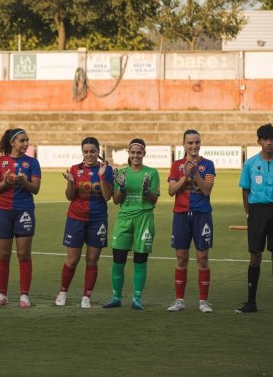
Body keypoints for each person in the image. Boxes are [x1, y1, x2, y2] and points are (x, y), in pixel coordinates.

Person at [235, 124, 273, 314]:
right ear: (259, 141)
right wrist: (249, 214)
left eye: (271, 139)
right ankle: (251, 302)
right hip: (257, 211)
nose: (268, 142)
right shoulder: (250, 164)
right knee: (255, 256)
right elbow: (245, 192)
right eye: (265, 139)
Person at [55, 137, 112, 308]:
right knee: (72, 260)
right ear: (82, 152)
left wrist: (102, 177)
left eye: (92, 151)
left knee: (92, 260)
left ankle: (86, 296)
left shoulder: (106, 170)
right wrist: (71, 182)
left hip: (98, 220)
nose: (89, 155)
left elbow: (107, 197)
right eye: (86, 152)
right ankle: (63, 292)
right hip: (76, 219)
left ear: (98, 152)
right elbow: (69, 196)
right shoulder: (75, 169)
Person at [104, 138, 160, 310]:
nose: (136, 155)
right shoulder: (121, 173)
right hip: (124, 219)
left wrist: (147, 190)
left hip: (144, 218)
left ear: (144, 154)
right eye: (133, 152)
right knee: (118, 260)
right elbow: (115, 200)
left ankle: (137, 299)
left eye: (139, 152)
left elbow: (154, 200)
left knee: (140, 260)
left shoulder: (152, 173)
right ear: (128, 153)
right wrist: (121, 187)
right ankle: (116, 297)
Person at [0, 128, 41, 307]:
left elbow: (35, 189)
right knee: (3, 254)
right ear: (12, 142)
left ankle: (24, 295)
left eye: (27, 140)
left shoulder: (32, 162)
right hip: (3, 211)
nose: (26, 143)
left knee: (23, 254)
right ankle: (2, 295)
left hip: (24, 211)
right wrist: (6, 182)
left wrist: (24, 181)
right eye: (22, 140)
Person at [167, 129, 216, 313]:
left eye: (197, 142)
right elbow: (171, 191)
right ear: (184, 145)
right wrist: (186, 176)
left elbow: (207, 190)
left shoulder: (208, 165)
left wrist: (195, 174)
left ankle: (203, 302)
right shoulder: (176, 165)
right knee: (181, 258)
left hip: (202, 215)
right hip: (181, 215)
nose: (194, 146)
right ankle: (179, 301)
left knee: (202, 259)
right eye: (190, 143)